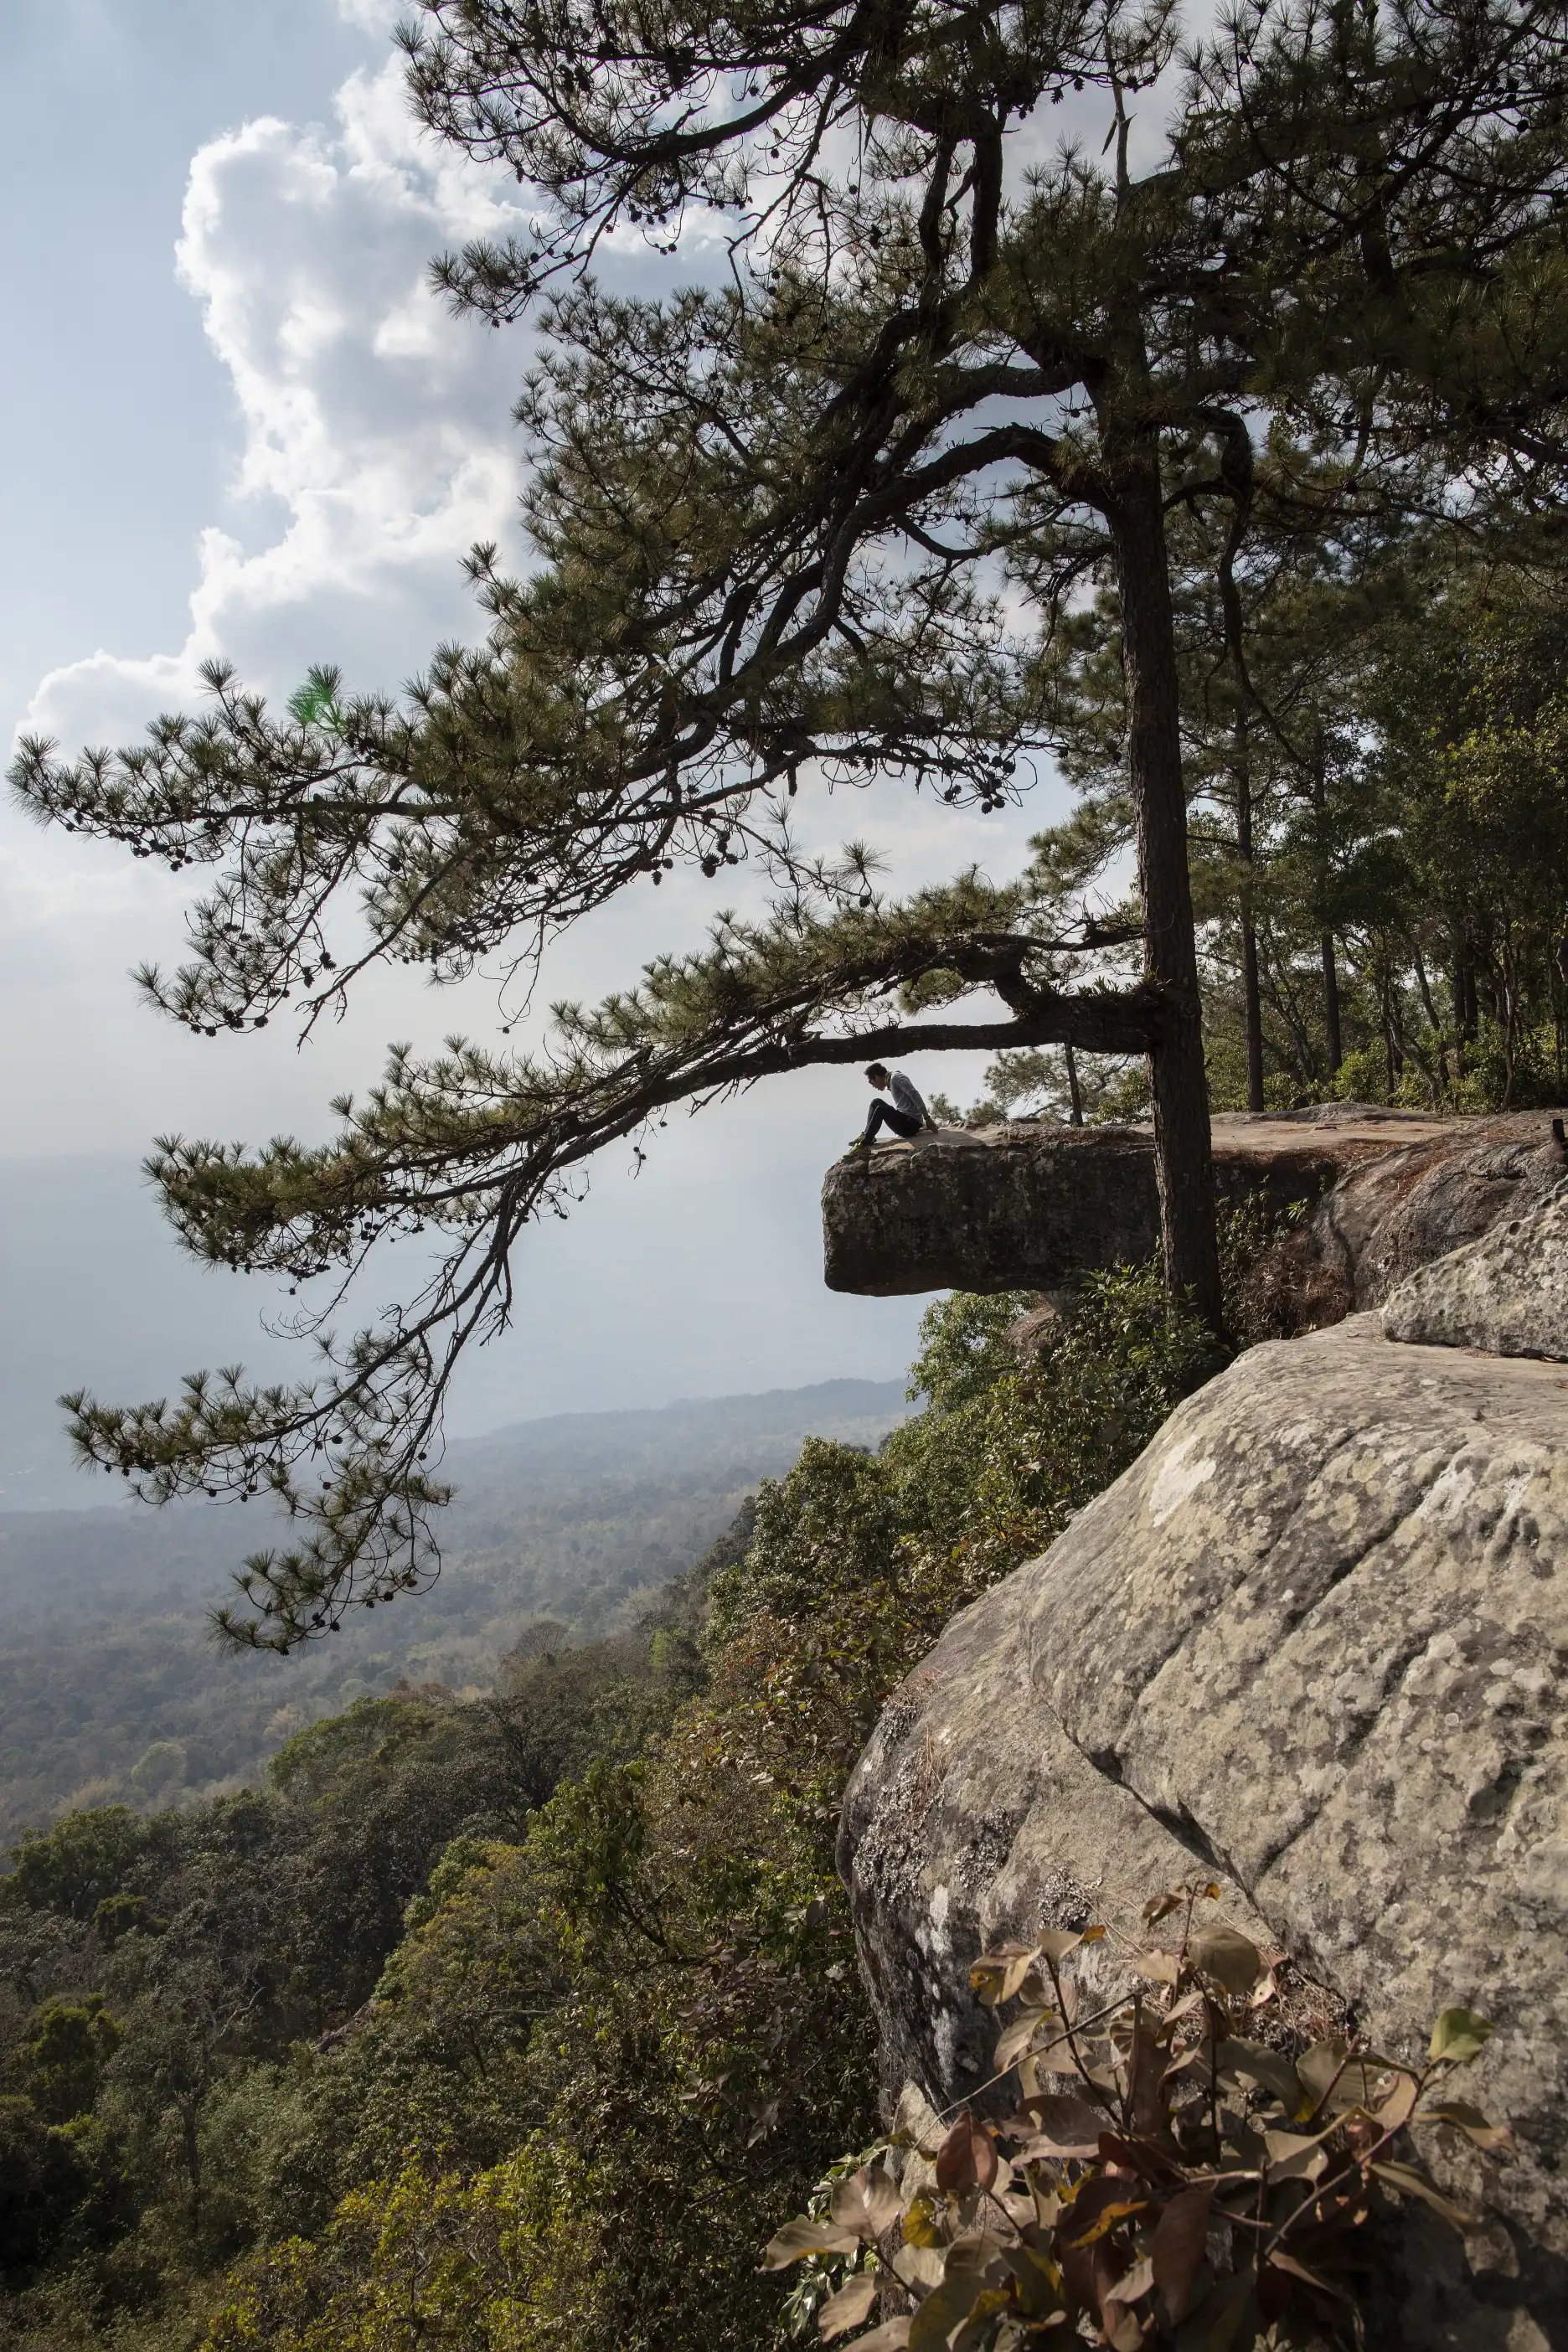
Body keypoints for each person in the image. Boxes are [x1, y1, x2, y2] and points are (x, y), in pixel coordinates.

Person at [847, 1063, 937, 1153]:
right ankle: (866, 1135)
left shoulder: (896, 1078)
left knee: (881, 1110)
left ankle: (864, 1144)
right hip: (906, 1121)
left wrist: (927, 1118)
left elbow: (914, 1094)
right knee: (876, 1102)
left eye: (871, 1082)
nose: (873, 1086)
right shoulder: (891, 1081)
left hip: (911, 1126)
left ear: (877, 1077)